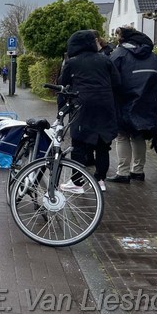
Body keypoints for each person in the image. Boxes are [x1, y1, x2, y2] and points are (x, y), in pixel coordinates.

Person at [58, 30, 120, 193]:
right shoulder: (105, 60)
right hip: (105, 106)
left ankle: (77, 182)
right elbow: (117, 82)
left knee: (79, 144)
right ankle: (100, 180)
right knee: (103, 144)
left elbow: (63, 86)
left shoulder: (72, 62)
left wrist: (61, 110)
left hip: (83, 106)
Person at [106, 27, 157, 184]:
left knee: (122, 135)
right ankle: (138, 171)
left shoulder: (120, 53)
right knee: (138, 135)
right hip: (146, 102)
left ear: (123, 37)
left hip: (124, 100)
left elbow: (111, 76)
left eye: (118, 36)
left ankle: (122, 172)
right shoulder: (152, 55)